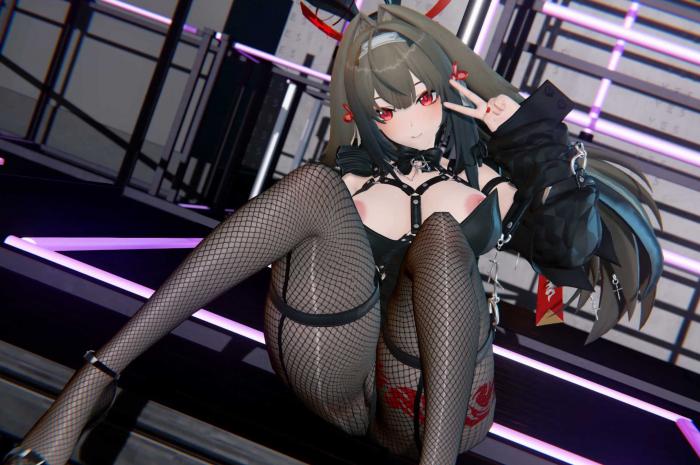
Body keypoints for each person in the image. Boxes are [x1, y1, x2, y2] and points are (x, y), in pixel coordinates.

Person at [4, 4, 662, 465]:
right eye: (387, 106)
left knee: (440, 238)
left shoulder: (491, 179)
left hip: (432, 399)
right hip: (338, 377)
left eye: (421, 96)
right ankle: (95, 376)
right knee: (312, 188)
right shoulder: (347, 182)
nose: (411, 118)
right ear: (364, 114)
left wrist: (528, 135)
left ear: (443, 89)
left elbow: (571, 246)